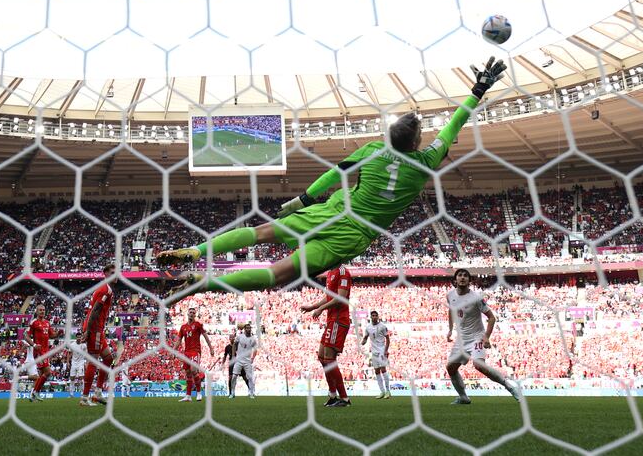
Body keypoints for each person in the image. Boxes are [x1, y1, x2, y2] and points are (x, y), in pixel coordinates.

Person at [157, 58, 507, 295]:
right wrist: (478, 90)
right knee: (279, 274)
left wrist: (303, 199)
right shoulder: (427, 161)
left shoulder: (372, 151)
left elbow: (334, 174)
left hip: (333, 211)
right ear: (417, 142)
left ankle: (196, 249)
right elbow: (455, 123)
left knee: (260, 232)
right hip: (352, 234)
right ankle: (202, 284)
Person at [446, 268, 520, 404]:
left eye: (465, 276)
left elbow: (491, 318)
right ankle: (463, 397)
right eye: (460, 275)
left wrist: (486, 336)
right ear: (455, 279)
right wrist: (450, 330)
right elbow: (451, 311)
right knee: (450, 367)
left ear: (469, 280)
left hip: (476, 337)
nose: (462, 278)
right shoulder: (450, 295)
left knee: (479, 365)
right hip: (461, 339)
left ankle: (510, 387)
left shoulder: (476, 297)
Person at [300, 266, 352, 407]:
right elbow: (329, 297)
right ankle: (333, 395)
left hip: (339, 320)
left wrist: (321, 309)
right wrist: (313, 306)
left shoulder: (342, 272)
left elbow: (340, 297)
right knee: (322, 358)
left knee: (329, 359)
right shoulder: (330, 273)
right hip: (331, 320)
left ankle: (344, 398)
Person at [80, 264, 119, 407]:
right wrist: (88, 331)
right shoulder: (105, 289)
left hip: (98, 330)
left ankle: (97, 392)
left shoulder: (104, 288)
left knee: (108, 359)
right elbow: (95, 311)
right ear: (105, 274)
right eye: (112, 272)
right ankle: (84, 398)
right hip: (94, 329)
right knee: (93, 361)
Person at [176, 307, 214, 402]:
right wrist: (174, 350)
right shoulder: (183, 327)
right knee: (188, 373)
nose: (192, 314)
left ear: (195, 315)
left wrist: (211, 347)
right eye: (190, 312)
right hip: (187, 352)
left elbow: (205, 336)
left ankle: (199, 393)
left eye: (193, 312)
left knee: (193, 370)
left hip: (195, 351)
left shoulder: (198, 325)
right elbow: (179, 340)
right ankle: (188, 396)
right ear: (187, 314)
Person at [24, 304, 61, 402]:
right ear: (36, 311)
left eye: (43, 310)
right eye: (40, 310)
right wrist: (34, 345)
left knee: (41, 375)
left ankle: (33, 395)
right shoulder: (33, 323)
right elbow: (26, 336)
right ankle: (36, 392)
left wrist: (58, 334)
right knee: (48, 372)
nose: (42, 311)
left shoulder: (47, 323)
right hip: (39, 351)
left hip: (46, 351)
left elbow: (51, 335)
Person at [362, 310, 391, 399]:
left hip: (381, 350)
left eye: (375, 315)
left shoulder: (382, 326)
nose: (374, 317)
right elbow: (366, 336)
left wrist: (386, 350)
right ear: (371, 317)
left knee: (383, 369)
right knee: (377, 371)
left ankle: (388, 391)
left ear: (378, 317)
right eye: (373, 315)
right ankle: (382, 392)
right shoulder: (368, 327)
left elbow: (388, 339)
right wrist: (363, 341)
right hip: (374, 351)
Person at [229, 323, 257, 399]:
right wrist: (234, 355)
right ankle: (232, 393)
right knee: (234, 376)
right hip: (239, 360)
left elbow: (255, 349)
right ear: (244, 329)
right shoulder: (240, 336)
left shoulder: (253, 339)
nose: (248, 329)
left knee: (250, 377)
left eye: (249, 328)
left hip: (247, 361)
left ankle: (251, 393)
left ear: (251, 329)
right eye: (247, 328)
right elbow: (234, 344)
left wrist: (252, 358)